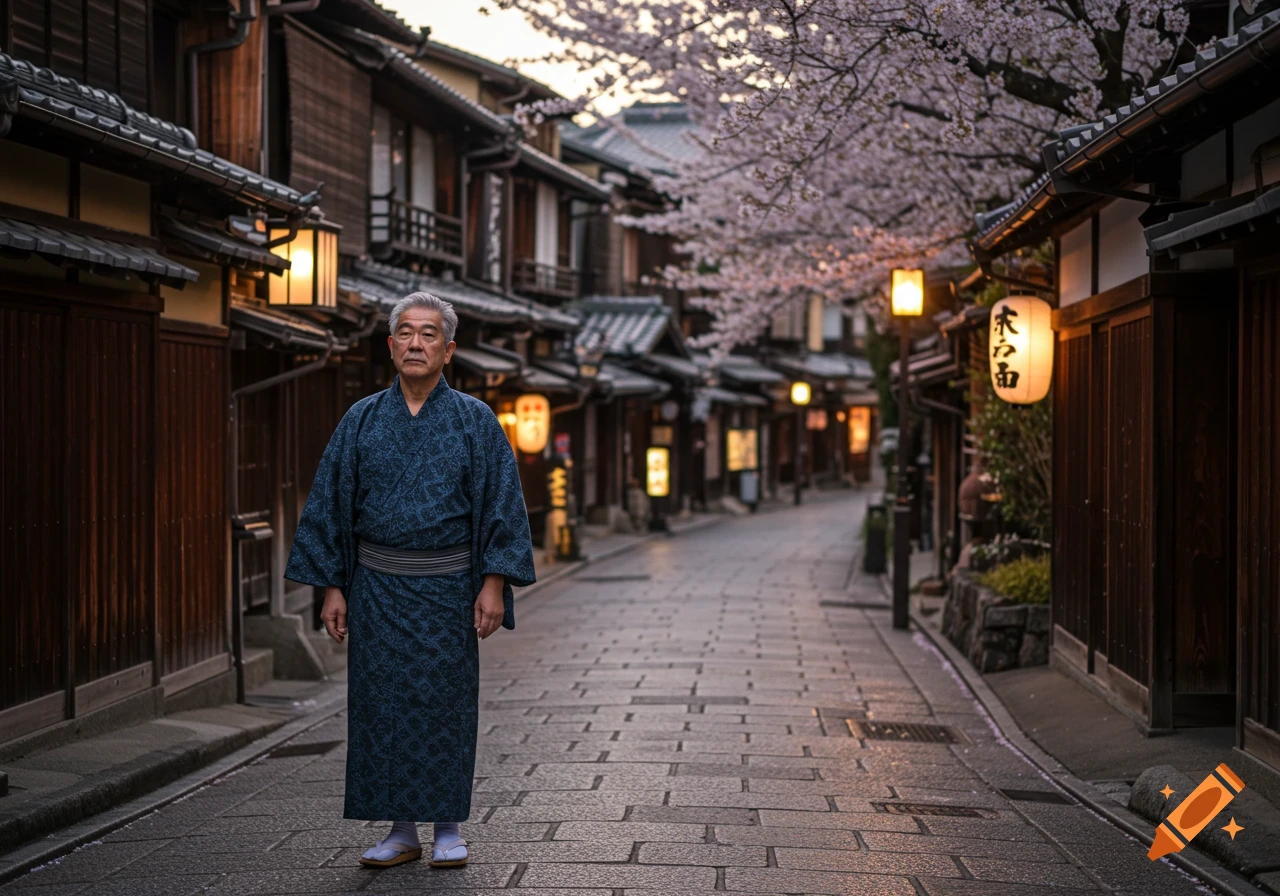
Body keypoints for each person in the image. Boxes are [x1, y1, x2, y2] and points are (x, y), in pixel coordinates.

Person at [285, 292, 536, 869]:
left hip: (448, 589)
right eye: (405, 332)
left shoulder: (474, 419)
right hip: (376, 587)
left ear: (448, 350)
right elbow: (329, 505)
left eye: (428, 334)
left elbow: (503, 506)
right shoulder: (362, 419)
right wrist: (332, 586)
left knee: (444, 703)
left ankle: (447, 824)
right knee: (382, 706)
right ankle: (400, 829)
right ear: (390, 345)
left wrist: (493, 584)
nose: (415, 343)